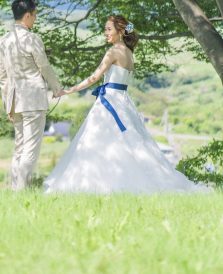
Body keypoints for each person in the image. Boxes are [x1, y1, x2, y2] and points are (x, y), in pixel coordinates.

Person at [42, 15, 208, 194]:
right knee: (127, 142)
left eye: (109, 29)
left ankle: (97, 183)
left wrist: (67, 91)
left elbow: (94, 78)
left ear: (121, 31)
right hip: (123, 102)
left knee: (97, 141)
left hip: (110, 102)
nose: (106, 33)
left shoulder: (113, 52)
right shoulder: (129, 53)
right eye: (105, 29)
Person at [0, 0, 61, 191]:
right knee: (30, 150)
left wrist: (8, 105)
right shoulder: (33, 39)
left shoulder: (2, 42)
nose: (35, 18)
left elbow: (3, 78)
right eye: (34, 14)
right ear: (27, 15)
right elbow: (44, 66)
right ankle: (22, 193)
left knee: (19, 148)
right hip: (33, 99)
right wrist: (57, 88)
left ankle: (15, 190)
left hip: (14, 100)